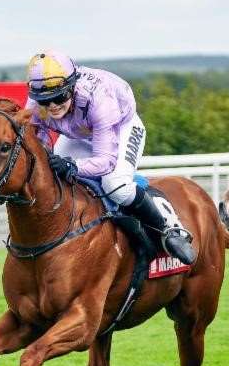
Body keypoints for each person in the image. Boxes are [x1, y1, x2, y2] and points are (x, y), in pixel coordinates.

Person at [24, 50, 196, 265]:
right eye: (45, 101)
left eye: (58, 98)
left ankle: (168, 230)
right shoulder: (35, 105)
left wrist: (73, 165)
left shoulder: (100, 99)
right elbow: (36, 139)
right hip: (79, 132)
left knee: (115, 183)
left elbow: (105, 162)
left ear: (72, 87)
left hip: (121, 127)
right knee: (53, 178)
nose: (52, 106)